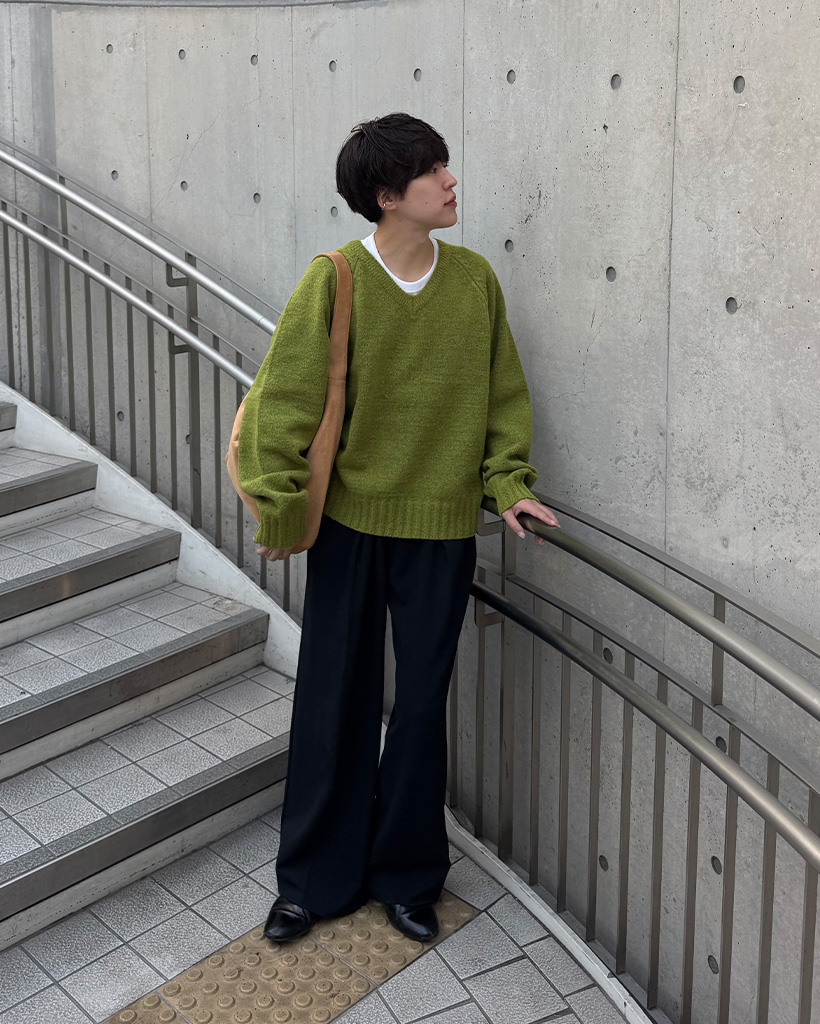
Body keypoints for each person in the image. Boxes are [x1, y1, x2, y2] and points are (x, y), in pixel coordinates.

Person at [236, 112, 559, 944]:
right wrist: (280, 505)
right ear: (387, 195)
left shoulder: (474, 281)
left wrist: (508, 484)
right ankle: (312, 880)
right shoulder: (336, 279)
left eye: (446, 165)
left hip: (441, 530)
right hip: (349, 526)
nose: (450, 182)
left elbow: (502, 396)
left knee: (419, 708)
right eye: (432, 171)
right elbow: (283, 400)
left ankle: (409, 877)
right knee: (333, 698)